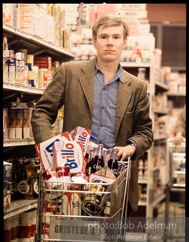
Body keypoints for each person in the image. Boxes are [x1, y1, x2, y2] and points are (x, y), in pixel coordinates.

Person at [31, 13, 153, 221]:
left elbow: (145, 131)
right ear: (94, 41)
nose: (110, 43)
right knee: (76, 239)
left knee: (111, 241)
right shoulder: (70, 72)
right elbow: (41, 112)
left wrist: (132, 146)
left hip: (116, 176)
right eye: (104, 37)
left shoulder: (138, 87)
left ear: (124, 42)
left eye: (116, 37)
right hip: (73, 173)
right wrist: (51, 151)